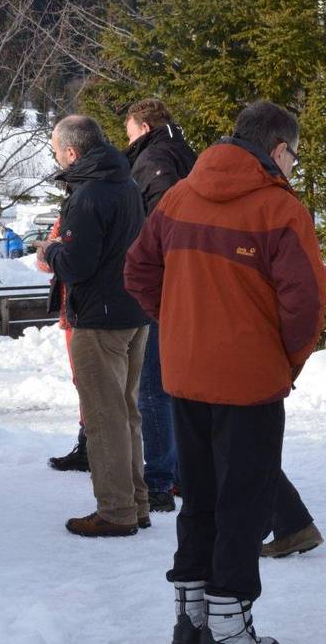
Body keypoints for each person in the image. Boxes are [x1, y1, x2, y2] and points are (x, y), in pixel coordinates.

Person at [125, 100, 326, 644]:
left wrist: (180, 323)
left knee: (200, 499)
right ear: (279, 150)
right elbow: (306, 304)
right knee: (244, 503)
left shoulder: (178, 195)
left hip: (187, 376)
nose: (293, 168)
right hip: (249, 383)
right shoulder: (279, 210)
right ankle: (231, 626)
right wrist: (285, 360)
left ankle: (190, 620)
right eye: (295, 157)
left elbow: (139, 270)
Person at [36, 115, 151, 538]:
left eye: (55, 151)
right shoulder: (126, 183)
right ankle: (135, 504)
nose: (55, 158)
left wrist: (50, 253)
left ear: (71, 152)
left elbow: (79, 265)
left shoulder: (87, 196)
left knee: (105, 418)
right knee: (127, 414)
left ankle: (117, 511)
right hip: (132, 313)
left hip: (99, 319)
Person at [123, 98, 198, 514]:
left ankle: (159, 480)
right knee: (177, 386)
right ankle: (181, 473)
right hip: (186, 285)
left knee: (154, 388)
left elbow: (162, 225)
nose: (127, 139)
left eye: (130, 129)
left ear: (145, 126)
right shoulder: (183, 152)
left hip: (167, 287)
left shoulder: (154, 159)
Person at [38, 215, 89, 473]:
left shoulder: (88, 209)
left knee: (95, 382)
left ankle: (96, 449)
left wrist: (53, 250)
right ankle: (88, 445)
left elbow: (61, 260)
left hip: (85, 310)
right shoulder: (66, 216)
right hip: (72, 313)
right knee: (81, 380)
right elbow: (42, 262)